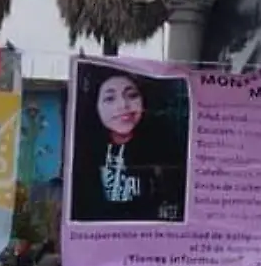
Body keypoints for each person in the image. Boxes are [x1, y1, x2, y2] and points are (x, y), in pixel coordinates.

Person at [68, 64, 188, 225]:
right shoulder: (81, 152)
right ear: (95, 106)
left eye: (131, 95)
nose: (123, 105)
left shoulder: (165, 149)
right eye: (110, 98)